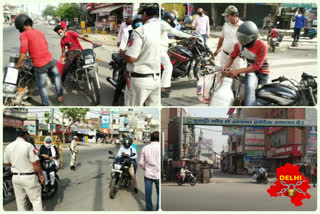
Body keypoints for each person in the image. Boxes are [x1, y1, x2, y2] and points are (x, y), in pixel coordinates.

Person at [14, 14, 63, 106]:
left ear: (23, 26)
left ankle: (46, 104)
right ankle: (60, 96)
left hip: (40, 65)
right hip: (50, 60)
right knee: (57, 77)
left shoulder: (24, 34)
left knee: (42, 87)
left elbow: (23, 51)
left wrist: (18, 64)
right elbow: (45, 44)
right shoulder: (40, 32)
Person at [222, 21, 270, 106]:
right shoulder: (238, 45)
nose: (242, 41)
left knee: (264, 94)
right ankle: (249, 112)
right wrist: (226, 67)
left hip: (263, 72)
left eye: (244, 39)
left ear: (253, 37)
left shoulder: (262, 46)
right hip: (250, 70)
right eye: (240, 38)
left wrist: (237, 71)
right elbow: (232, 57)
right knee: (250, 89)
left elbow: (257, 67)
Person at [121, 4, 160, 106]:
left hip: (140, 80)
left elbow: (131, 57)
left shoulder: (140, 31)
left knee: (132, 109)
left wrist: (122, 54)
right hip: (157, 79)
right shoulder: (161, 29)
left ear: (145, 15)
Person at [3, 127, 45, 211]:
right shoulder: (28, 146)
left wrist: (16, 164)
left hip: (16, 178)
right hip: (29, 178)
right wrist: (41, 175)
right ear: (25, 135)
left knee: (20, 202)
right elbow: (35, 163)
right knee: (36, 201)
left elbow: (6, 162)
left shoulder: (9, 146)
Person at [161, 11, 195, 98]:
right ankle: (163, 88)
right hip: (159, 49)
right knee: (168, 66)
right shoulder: (163, 23)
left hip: (163, 48)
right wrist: (188, 36)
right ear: (169, 19)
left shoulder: (162, 26)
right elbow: (175, 32)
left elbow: (165, 40)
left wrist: (177, 41)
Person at [139, 131, 160, 211]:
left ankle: (149, 209)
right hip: (158, 174)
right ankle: (158, 209)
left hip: (148, 174)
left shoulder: (145, 148)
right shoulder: (160, 147)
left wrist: (146, 168)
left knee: (148, 194)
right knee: (159, 193)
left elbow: (141, 162)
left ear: (151, 138)